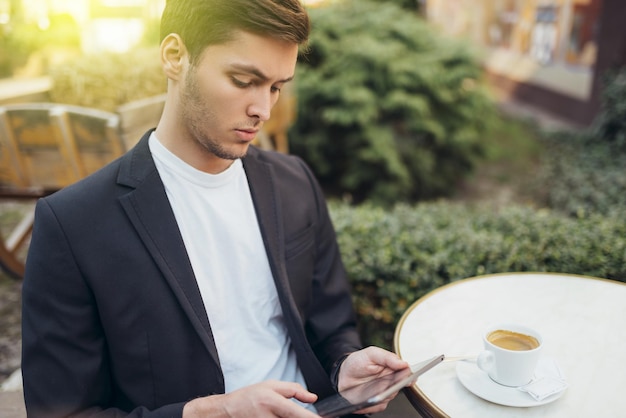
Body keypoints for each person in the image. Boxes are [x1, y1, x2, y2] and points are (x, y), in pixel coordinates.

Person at [21, 0, 409, 417]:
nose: (263, 109)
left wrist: (343, 365)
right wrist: (215, 412)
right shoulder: (74, 224)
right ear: (174, 57)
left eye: (276, 87)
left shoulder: (294, 181)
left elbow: (331, 326)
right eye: (244, 80)